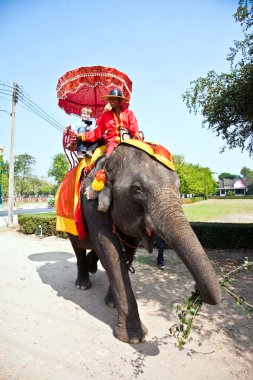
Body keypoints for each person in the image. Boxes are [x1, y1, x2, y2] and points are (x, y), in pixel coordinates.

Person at [75, 89, 142, 155]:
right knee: (108, 158)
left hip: (128, 140)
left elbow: (134, 127)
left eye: (114, 99)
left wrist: (136, 134)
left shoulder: (129, 113)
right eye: (110, 99)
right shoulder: (105, 115)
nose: (111, 101)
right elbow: (97, 133)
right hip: (112, 143)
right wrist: (83, 136)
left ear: (120, 100)